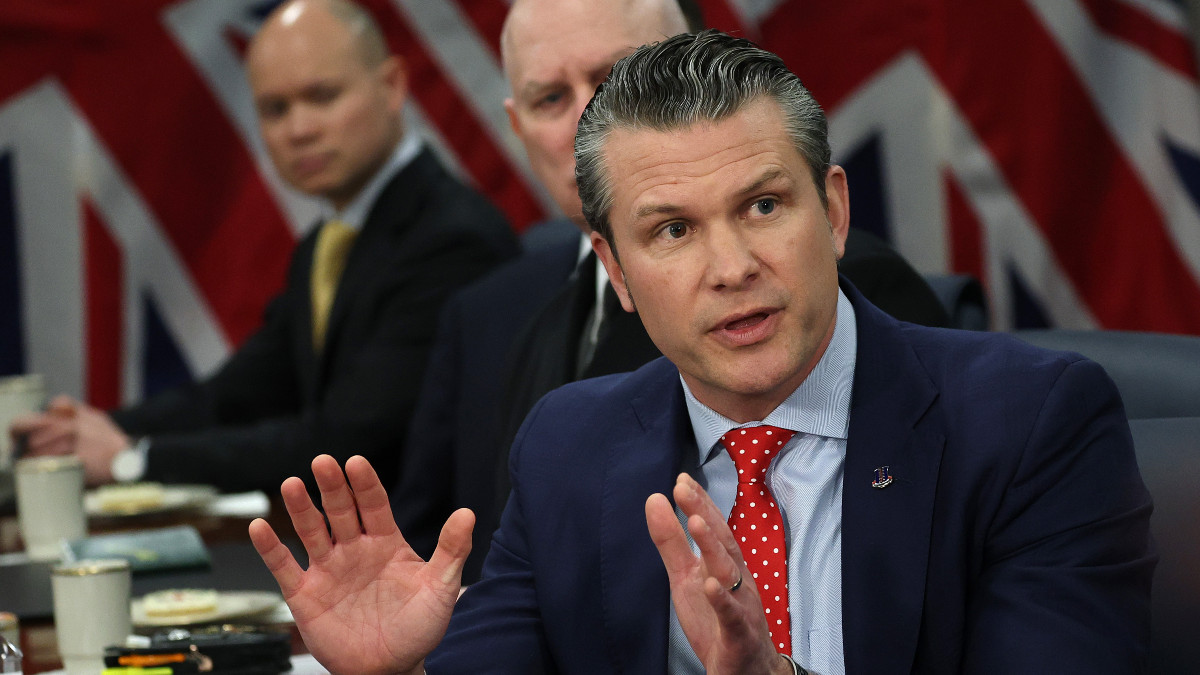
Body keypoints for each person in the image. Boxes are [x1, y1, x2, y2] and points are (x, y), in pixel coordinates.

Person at [251, 31, 1154, 674]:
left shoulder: (1032, 423)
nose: (732, 268)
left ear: (833, 213)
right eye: (673, 229)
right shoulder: (568, 443)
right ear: (617, 269)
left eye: (764, 205)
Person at [392, 0, 950, 584]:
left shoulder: (840, 283)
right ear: (518, 127)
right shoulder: (502, 311)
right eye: (551, 99)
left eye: (617, 82)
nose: (589, 118)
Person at [8, 0, 517, 492]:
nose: (299, 129)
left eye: (322, 96)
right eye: (275, 109)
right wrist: (93, 431)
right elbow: (238, 395)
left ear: (392, 85)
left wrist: (130, 458)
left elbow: (345, 445)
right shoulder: (328, 243)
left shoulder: (452, 239)